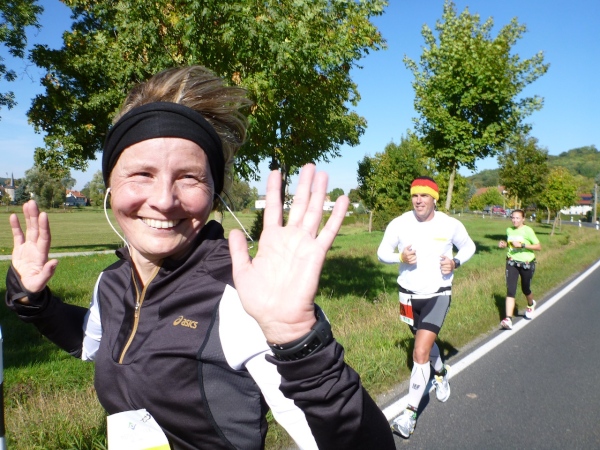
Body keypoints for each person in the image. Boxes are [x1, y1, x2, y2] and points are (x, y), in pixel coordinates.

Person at [5, 66, 395, 450]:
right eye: (141, 174)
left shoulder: (242, 297)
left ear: (213, 193)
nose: (163, 200)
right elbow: (91, 343)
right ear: (110, 183)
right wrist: (33, 301)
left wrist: (301, 344)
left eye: (188, 177)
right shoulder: (113, 280)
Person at [377, 176, 476, 439]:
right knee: (424, 344)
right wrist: (399, 257)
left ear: (434, 199)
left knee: (420, 351)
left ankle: (409, 416)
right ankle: (441, 372)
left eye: (424, 196)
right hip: (407, 297)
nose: (418, 200)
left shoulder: (449, 224)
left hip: (438, 294)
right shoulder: (399, 223)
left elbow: (469, 246)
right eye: (414, 195)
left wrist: (455, 262)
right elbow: (382, 252)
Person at [498, 209, 541, 330]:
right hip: (512, 262)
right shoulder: (509, 230)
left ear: (523, 219)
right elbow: (511, 244)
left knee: (525, 289)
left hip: (527, 263)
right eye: (513, 217)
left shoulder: (528, 230)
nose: (514, 220)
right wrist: (504, 244)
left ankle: (530, 304)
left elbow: (538, 246)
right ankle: (508, 319)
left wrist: (522, 245)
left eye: (517, 218)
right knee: (510, 290)